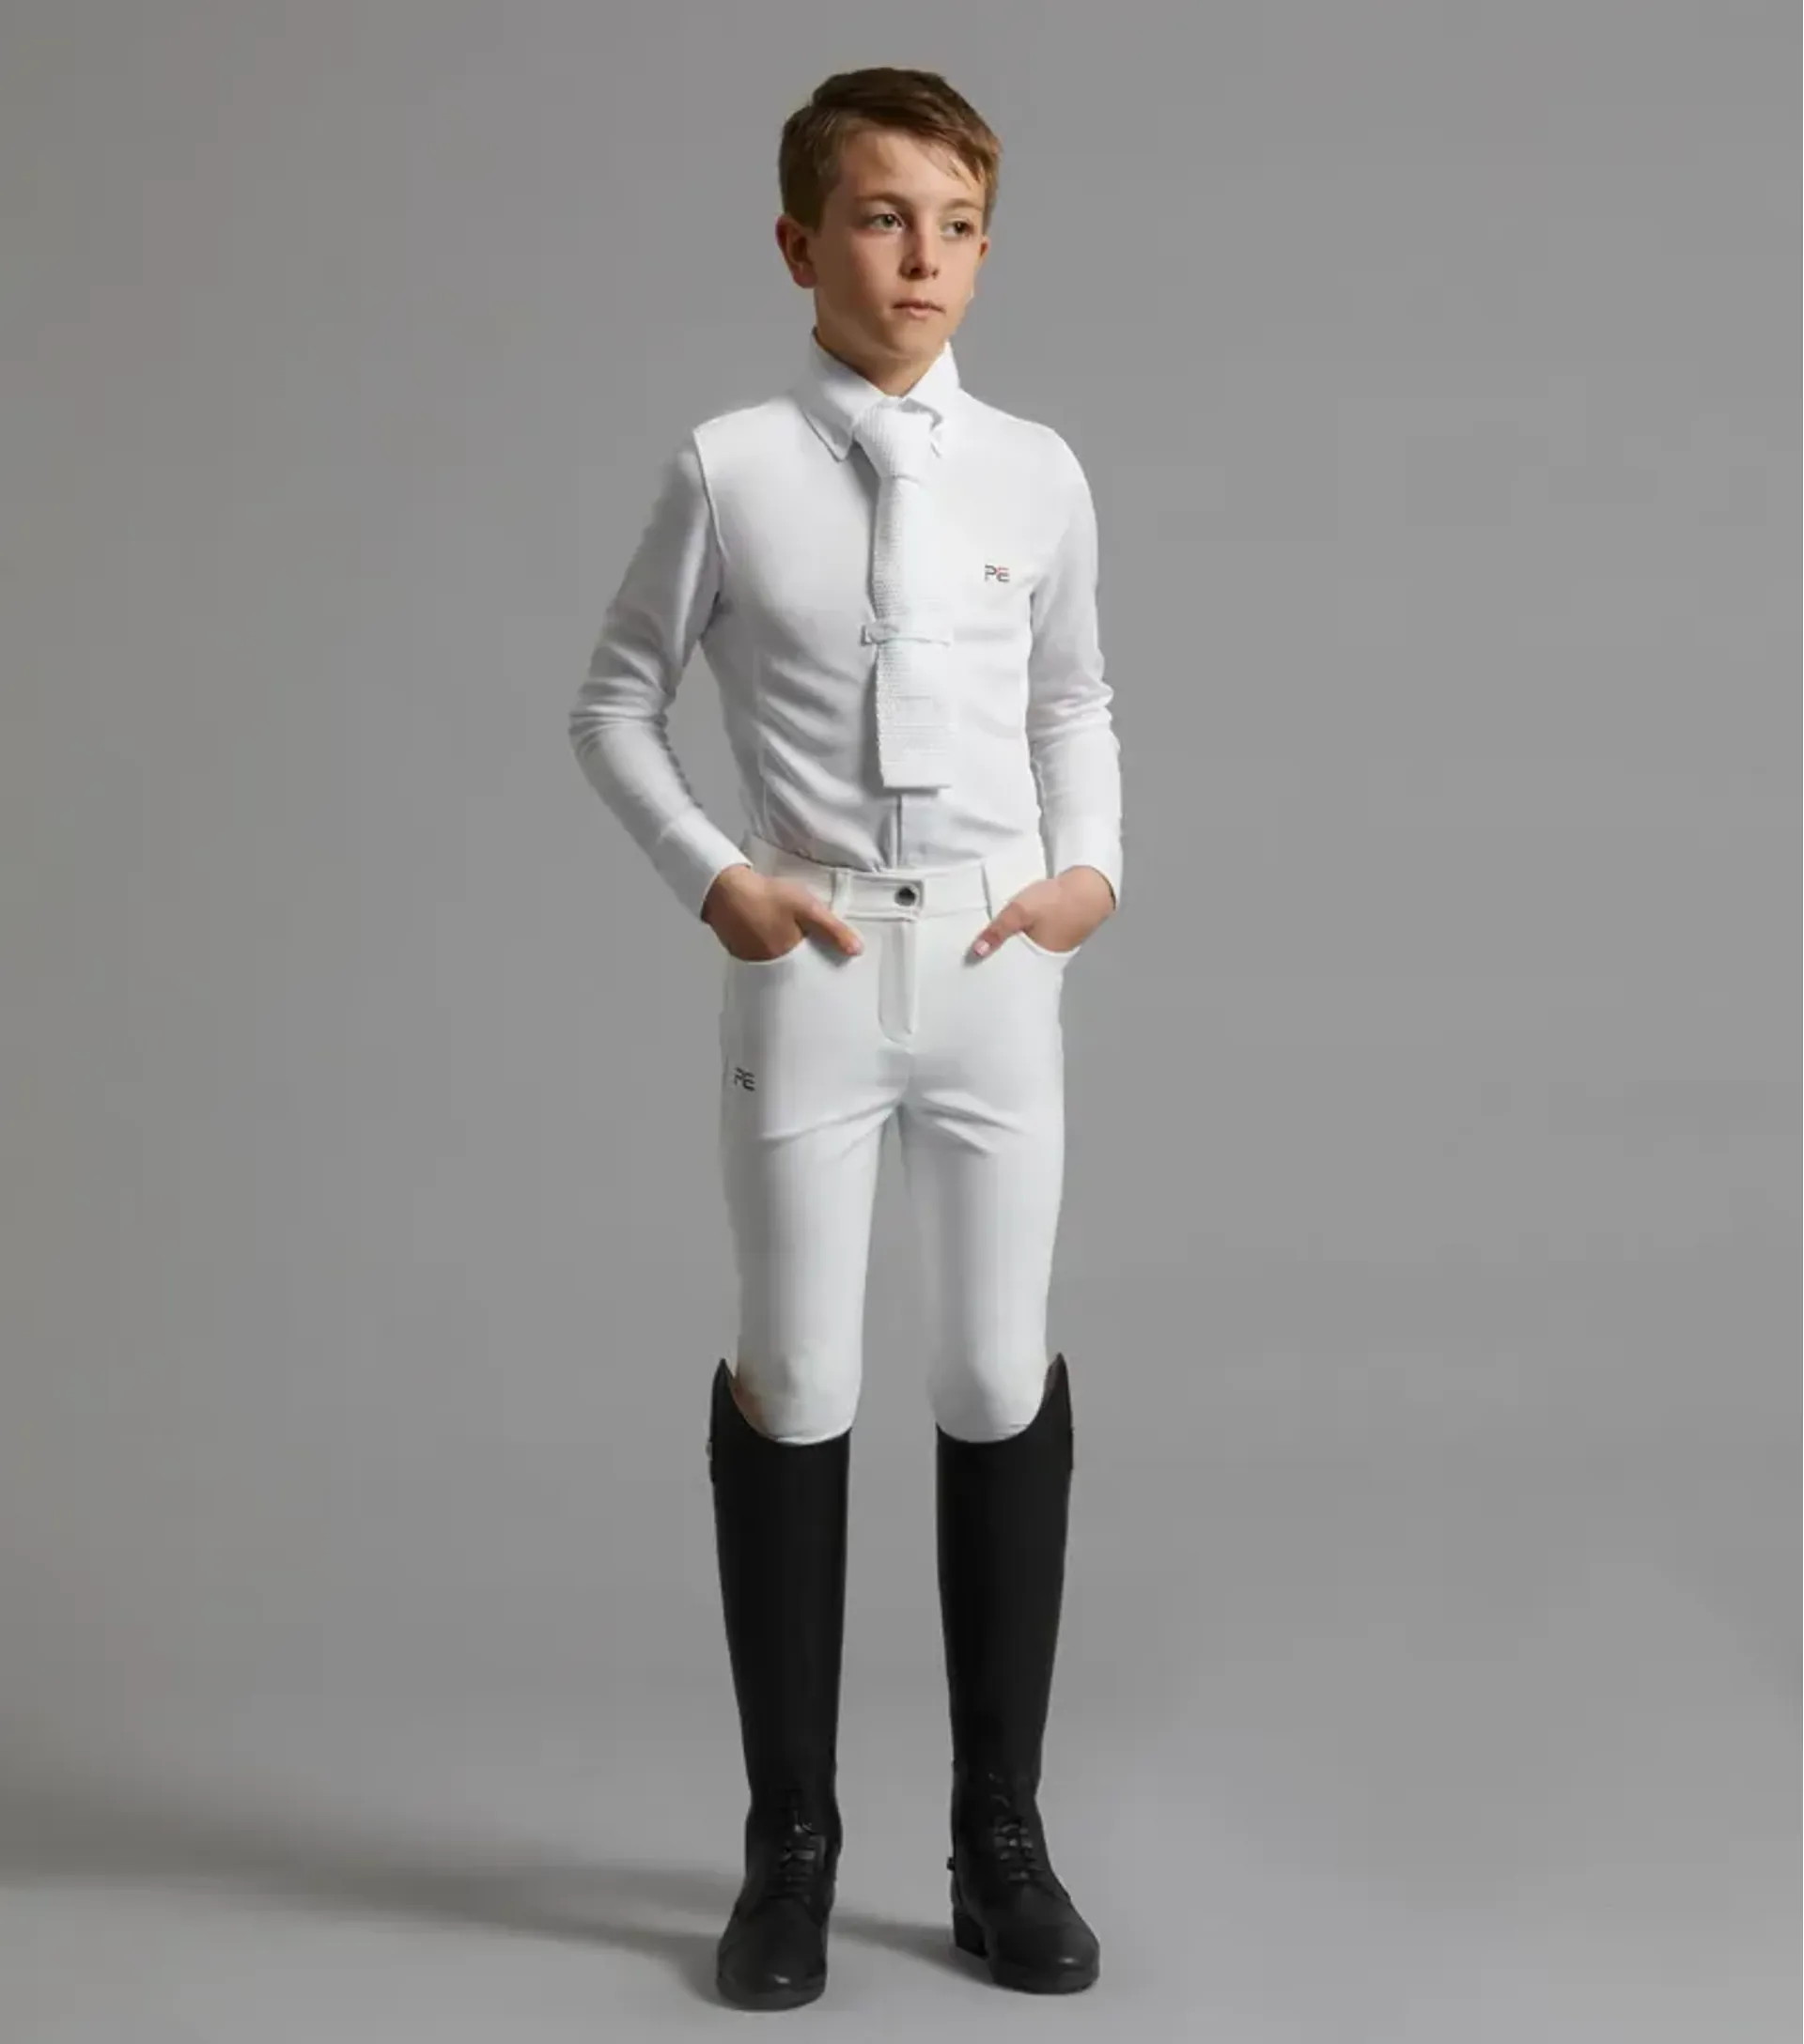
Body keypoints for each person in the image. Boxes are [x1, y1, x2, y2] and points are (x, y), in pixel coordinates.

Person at [568, 66, 1122, 2009]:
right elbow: (614, 701)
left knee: (993, 1366)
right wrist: (714, 874)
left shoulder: (1037, 471)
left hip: (992, 960)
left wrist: (1092, 869)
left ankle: (1000, 1838)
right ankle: (788, 1846)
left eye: (960, 224)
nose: (924, 259)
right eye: (885, 218)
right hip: (807, 960)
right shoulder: (732, 466)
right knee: (798, 1371)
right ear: (802, 240)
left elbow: (1074, 696)